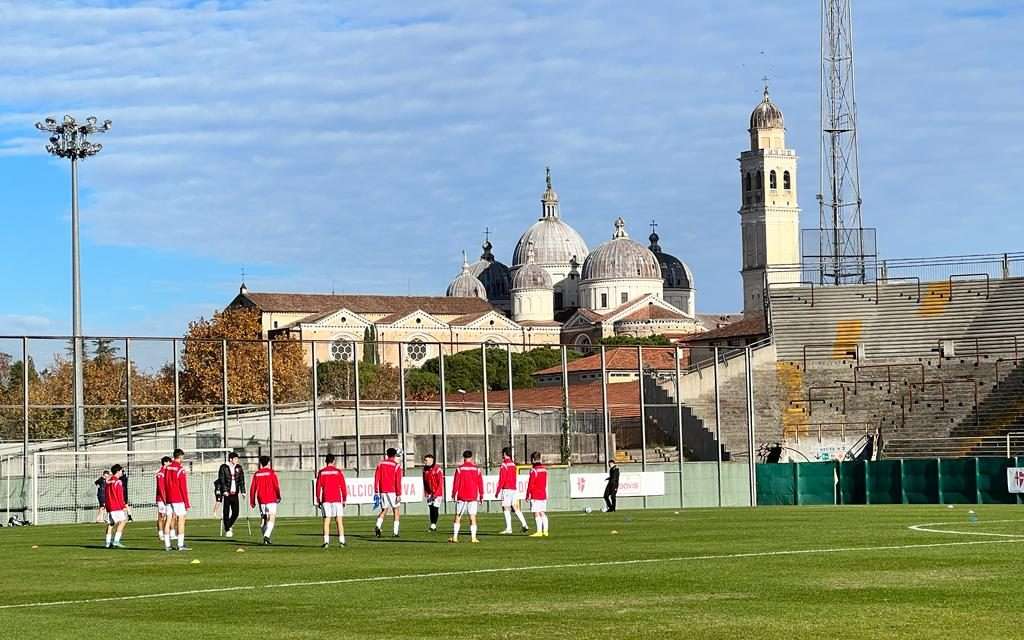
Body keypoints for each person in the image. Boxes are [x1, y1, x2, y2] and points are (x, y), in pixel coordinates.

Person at [449, 450, 484, 544]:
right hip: (472, 496)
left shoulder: (459, 469)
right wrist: (481, 495)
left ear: (463, 457)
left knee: (458, 516)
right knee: (472, 517)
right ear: (471, 458)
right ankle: (473, 538)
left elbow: (456, 482)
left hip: (462, 496)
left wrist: (453, 494)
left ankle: (455, 537)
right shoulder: (477, 469)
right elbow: (480, 483)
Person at [314, 453, 348, 548]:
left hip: (326, 499)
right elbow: (343, 486)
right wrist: (344, 499)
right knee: (339, 520)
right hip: (337, 499)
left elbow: (318, 487)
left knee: (326, 520)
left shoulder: (322, 472)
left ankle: (326, 542)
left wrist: (318, 499)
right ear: (333, 461)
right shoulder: (338, 472)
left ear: (326, 461)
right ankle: (342, 541)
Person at [249, 455, 281, 545]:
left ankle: (265, 539)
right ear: (268, 463)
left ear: (260, 463)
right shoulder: (271, 472)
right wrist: (278, 496)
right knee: (272, 517)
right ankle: (266, 536)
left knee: (264, 519)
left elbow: (253, 488)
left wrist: (252, 501)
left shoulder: (257, 474)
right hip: (271, 498)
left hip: (261, 499)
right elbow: (276, 485)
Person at [163, 448, 191, 551]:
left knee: (168, 519)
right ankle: (180, 544)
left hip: (169, 498)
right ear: (181, 457)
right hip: (178, 498)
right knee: (181, 519)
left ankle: (167, 545)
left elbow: (165, 483)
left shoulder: (167, 468)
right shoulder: (180, 469)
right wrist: (186, 503)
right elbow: (183, 487)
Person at [496, 447, 529, 534]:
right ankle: (524, 524)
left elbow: (502, 479)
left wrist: (498, 490)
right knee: (515, 507)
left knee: (505, 507)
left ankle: (509, 528)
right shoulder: (513, 464)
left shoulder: (504, 465)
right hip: (514, 488)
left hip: (506, 489)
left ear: (504, 454)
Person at [373, 447, 403, 538]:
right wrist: (398, 494)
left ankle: (378, 525)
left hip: (383, 490)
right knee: (396, 510)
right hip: (393, 491)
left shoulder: (380, 464)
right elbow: (398, 481)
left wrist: (376, 490)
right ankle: (395, 532)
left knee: (384, 510)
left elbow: (376, 477)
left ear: (387, 454)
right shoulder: (396, 466)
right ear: (395, 455)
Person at [216, 452, 246, 538]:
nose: (237, 460)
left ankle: (228, 525)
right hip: (227, 493)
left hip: (235, 493)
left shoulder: (239, 468)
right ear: (230, 459)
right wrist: (224, 491)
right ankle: (228, 530)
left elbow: (241, 480)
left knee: (236, 512)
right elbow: (222, 479)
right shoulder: (223, 467)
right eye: (235, 459)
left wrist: (243, 491)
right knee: (226, 512)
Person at [103, 464, 129, 549]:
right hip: (116, 506)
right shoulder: (118, 482)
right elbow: (120, 495)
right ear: (118, 471)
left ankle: (107, 543)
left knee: (111, 524)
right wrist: (123, 506)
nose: (122, 472)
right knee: (123, 521)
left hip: (109, 506)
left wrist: (107, 506)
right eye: (122, 471)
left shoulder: (108, 481)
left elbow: (106, 494)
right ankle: (116, 541)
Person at [526, 451, 549, 537]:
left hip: (535, 494)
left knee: (536, 512)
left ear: (532, 459)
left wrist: (528, 494)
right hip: (543, 494)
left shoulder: (534, 470)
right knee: (542, 512)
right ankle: (545, 531)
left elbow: (530, 484)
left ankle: (539, 531)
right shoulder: (544, 470)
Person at [421, 454, 444, 532]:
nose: (425, 462)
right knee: (431, 508)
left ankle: (433, 524)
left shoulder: (438, 469)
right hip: (429, 492)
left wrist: (436, 493)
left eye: (426, 460)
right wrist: (426, 492)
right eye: (425, 460)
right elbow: (424, 481)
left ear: (431, 460)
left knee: (435, 508)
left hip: (437, 492)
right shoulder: (425, 469)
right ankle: (432, 524)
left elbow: (440, 482)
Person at [155, 456, 171, 542]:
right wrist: (164, 499)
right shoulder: (160, 473)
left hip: (168, 497)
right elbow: (161, 488)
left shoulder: (167, 472)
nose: (170, 464)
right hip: (161, 498)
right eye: (169, 462)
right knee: (161, 516)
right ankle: (161, 534)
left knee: (168, 516)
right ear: (165, 462)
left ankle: (167, 533)